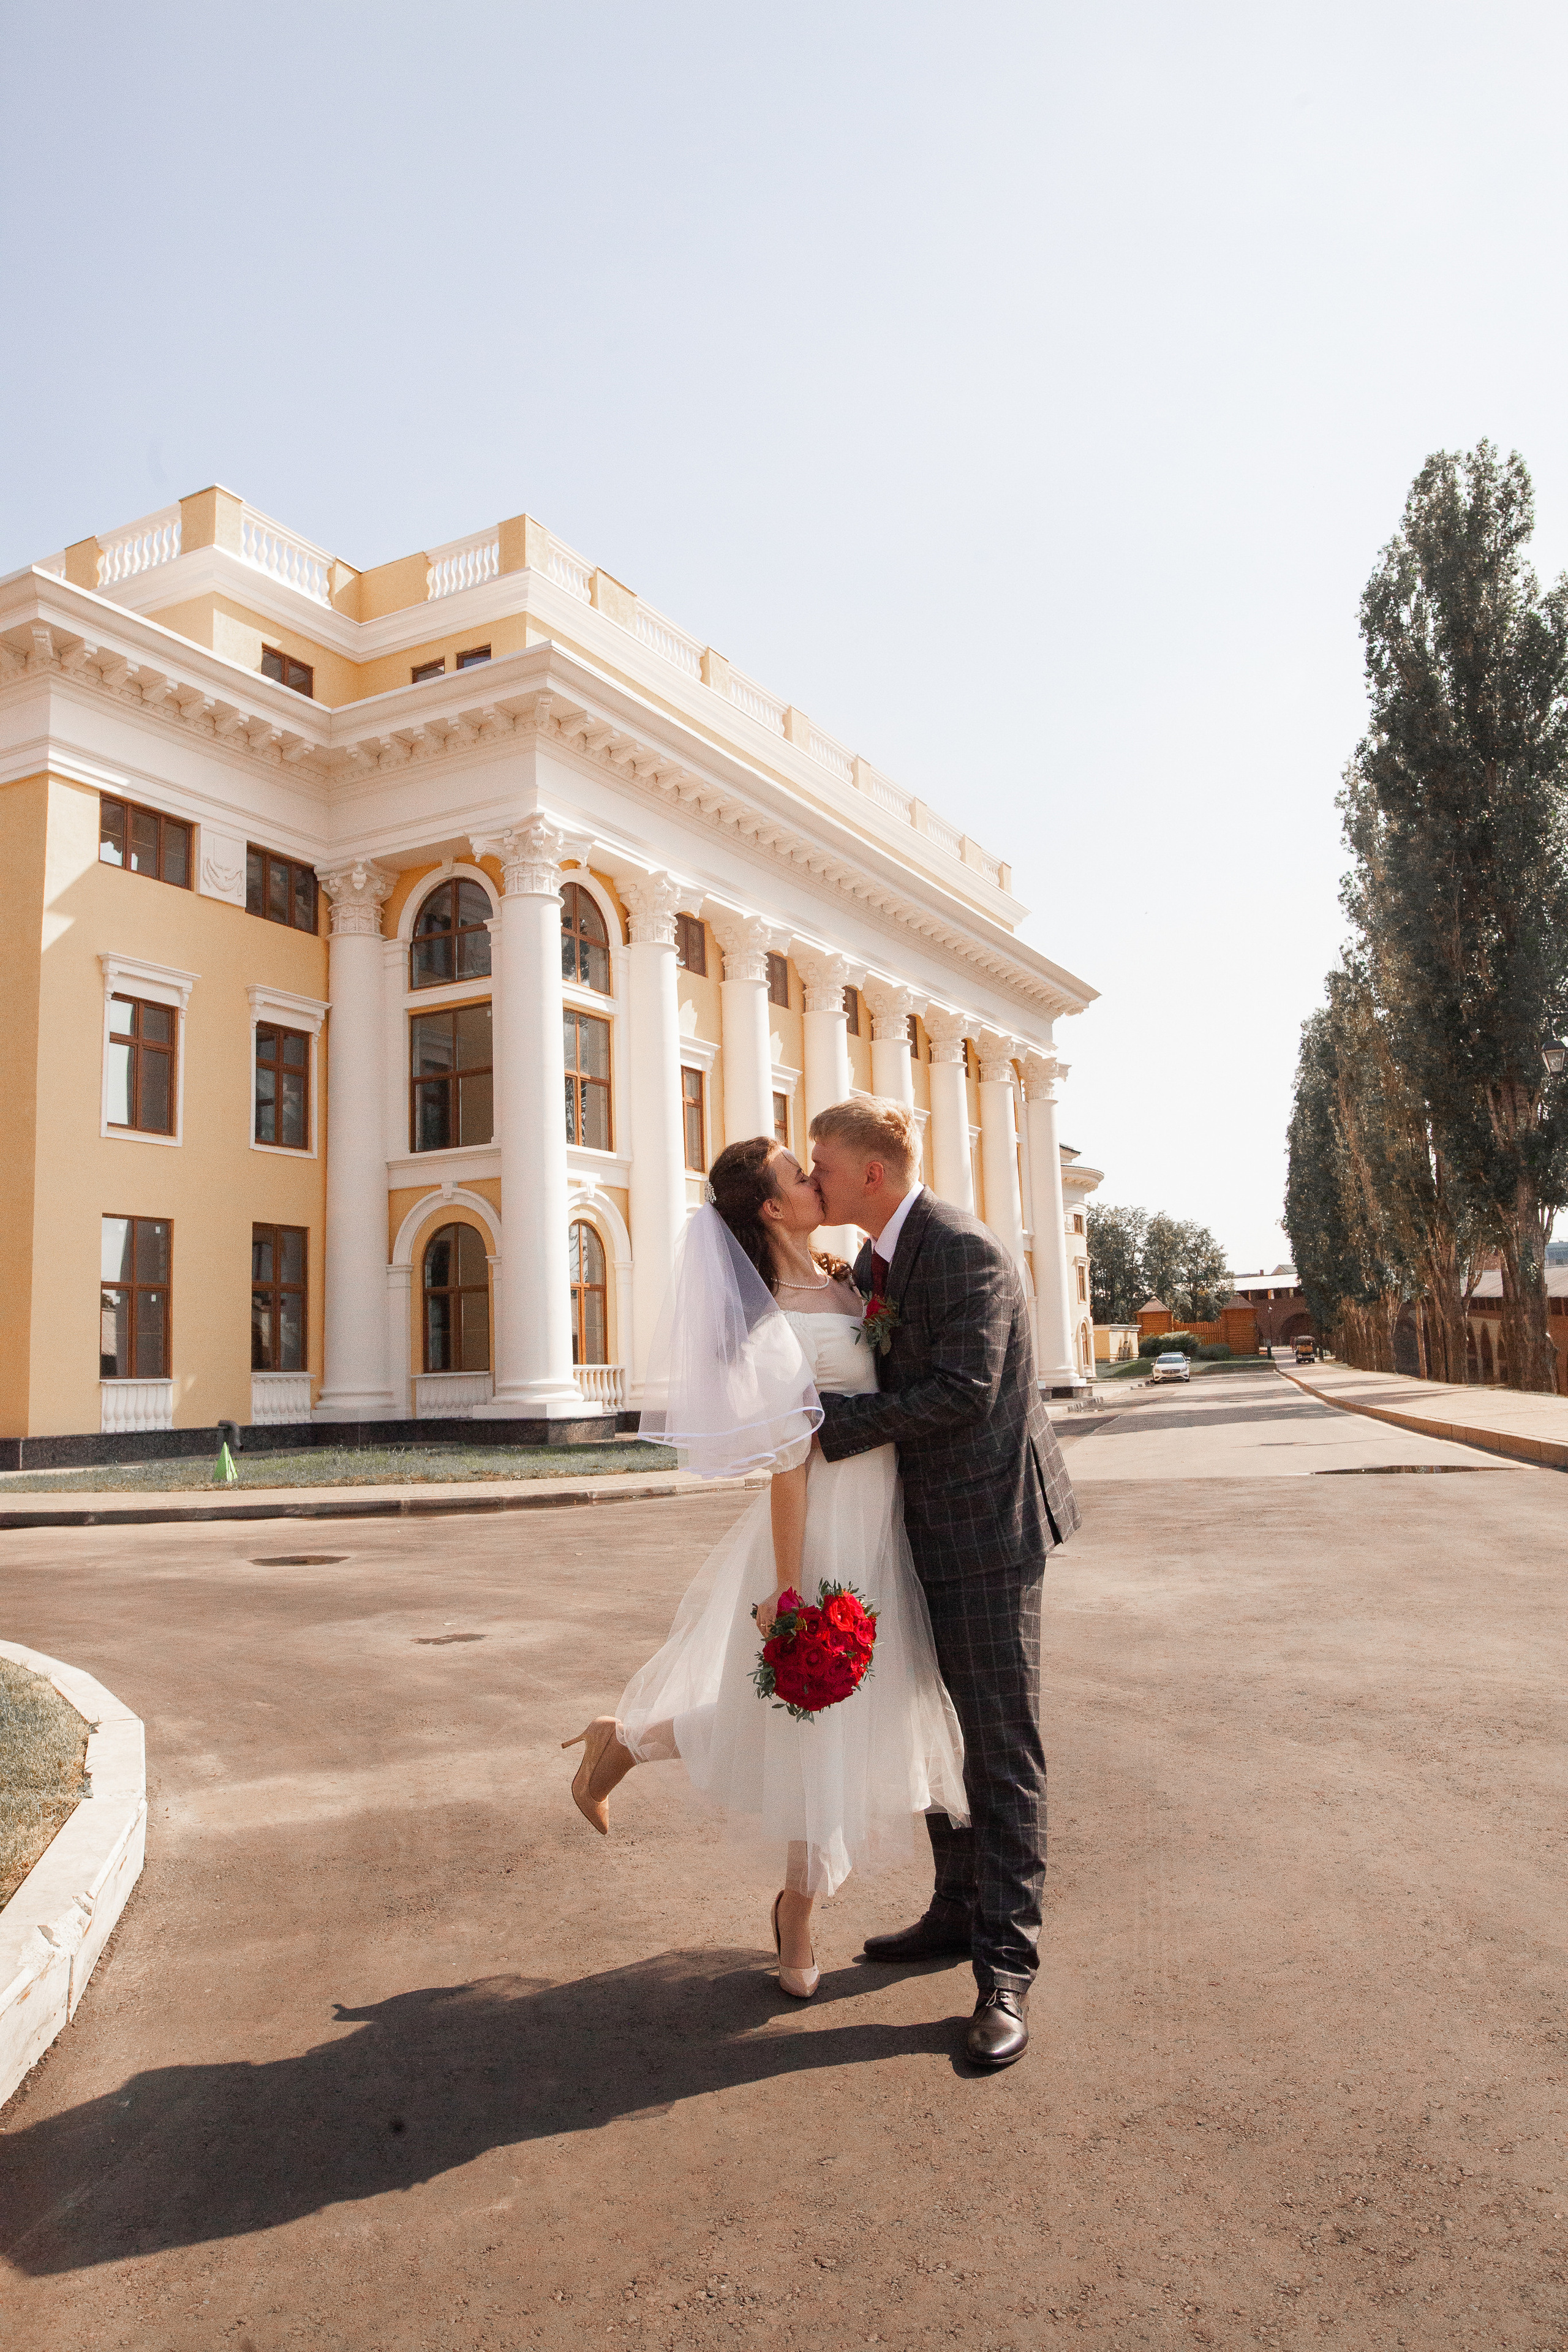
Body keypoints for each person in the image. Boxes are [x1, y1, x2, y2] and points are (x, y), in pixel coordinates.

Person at [563, 1136, 967, 2001]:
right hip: (817, 1538)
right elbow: (789, 1461)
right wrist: (791, 1593)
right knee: (808, 1727)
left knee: (823, 1725)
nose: (814, 1178)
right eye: (798, 1173)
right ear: (771, 1209)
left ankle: (626, 1743)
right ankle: (799, 1914)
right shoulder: (768, 1318)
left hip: (878, 1523)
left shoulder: (849, 1278)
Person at [807, 1096, 1080, 2070]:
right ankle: (957, 1911)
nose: (813, 1179)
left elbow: (966, 1388)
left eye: (822, 1165)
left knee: (1000, 1746)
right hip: (917, 1531)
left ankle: (1006, 1973)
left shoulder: (960, 1247)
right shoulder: (882, 1258)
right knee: (939, 1733)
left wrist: (833, 1429)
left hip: (988, 1531)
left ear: (870, 1173)